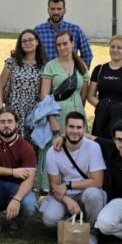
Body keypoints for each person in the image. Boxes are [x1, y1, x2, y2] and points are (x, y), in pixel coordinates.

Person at [39, 111, 106, 244]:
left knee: (93, 194)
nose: (75, 131)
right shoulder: (53, 151)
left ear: (84, 130)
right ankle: (74, 223)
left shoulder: (93, 148)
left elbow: (98, 181)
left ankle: (93, 234)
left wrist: (69, 185)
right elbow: (54, 186)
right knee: (49, 219)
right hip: (64, 196)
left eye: (79, 127)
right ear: (65, 129)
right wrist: (67, 200)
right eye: (71, 127)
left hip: (87, 193)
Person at [0, 108, 38, 244]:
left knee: (31, 205)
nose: (6, 125)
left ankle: (15, 222)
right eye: (2, 122)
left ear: (16, 124)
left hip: (16, 189)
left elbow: (29, 179)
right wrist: (12, 172)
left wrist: (17, 199)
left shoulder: (26, 147)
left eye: (10, 121)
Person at [38, 30, 88, 194]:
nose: (62, 47)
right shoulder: (51, 66)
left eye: (65, 43)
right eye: (58, 44)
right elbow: (44, 96)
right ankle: (51, 189)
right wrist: (51, 118)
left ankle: (76, 186)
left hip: (77, 113)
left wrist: (79, 110)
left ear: (72, 43)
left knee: (77, 150)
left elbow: (84, 94)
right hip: (58, 114)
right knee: (57, 151)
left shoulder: (80, 65)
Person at [86, 35, 122, 140]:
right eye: (112, 47)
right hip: (102, 119)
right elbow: (90, 95)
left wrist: (120, 109)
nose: (115, 50)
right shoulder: (99, 70)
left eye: (119, 47)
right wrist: (102, 106)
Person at [0, 29, 46, 141]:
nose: (27, 43)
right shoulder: (12, 62)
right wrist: (1, 109)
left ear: (37, 42)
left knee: (30, 147)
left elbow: (43, 92)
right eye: (24, 41)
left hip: (33, 112)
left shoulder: (44, 65)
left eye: (30, 40)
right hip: (13, 110)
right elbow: (0, 87)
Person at [34, 0, 94, 67]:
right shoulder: (38, 31)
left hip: (69, 76)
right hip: (45, 76)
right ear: (48, 10)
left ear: (64, 10)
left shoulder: (75, 30)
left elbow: (87, 55)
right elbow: (30, 55)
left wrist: (80, 74)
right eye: (52, 9)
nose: (56, 12)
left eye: (59, 9)